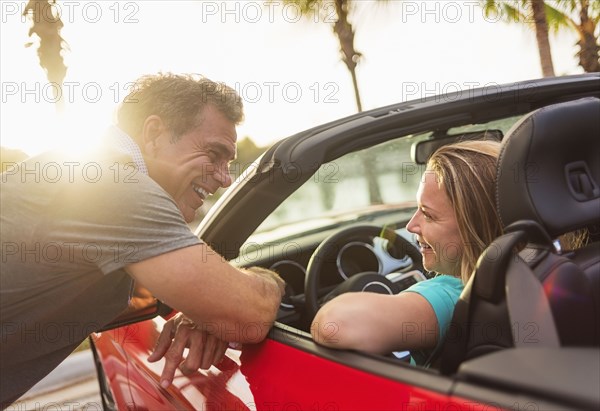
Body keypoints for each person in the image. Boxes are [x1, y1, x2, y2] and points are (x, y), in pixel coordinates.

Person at [0, 73, 285, 406]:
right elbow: (249, 315)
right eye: (214, 154)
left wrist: (205, 311)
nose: (224, 178)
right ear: (153, 134)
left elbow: (192, 296)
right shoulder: (114, 187)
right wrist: (273, 283)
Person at [310, 140, 502, 365]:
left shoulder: (452, 296)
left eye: (427, 214)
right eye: (416, 209)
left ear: (474, 227)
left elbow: (334, 325)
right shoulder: (533, 269)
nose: (412, 225)